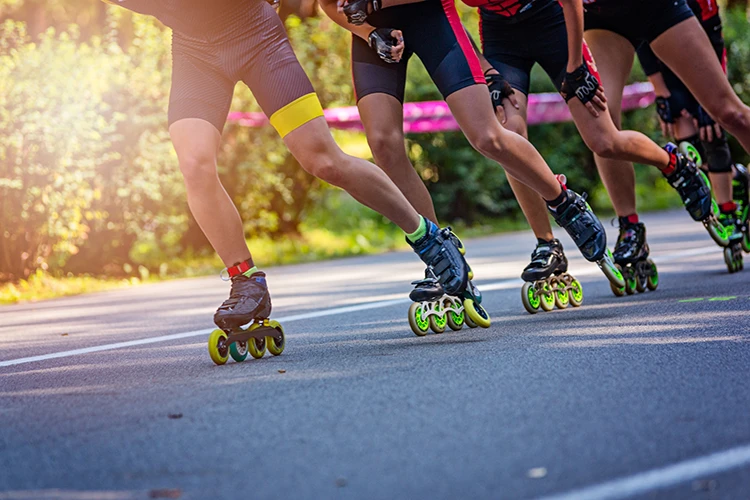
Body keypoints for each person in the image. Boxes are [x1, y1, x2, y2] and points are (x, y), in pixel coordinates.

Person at [101, 0, 482, 333]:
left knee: (323, 161)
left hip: (255, 37)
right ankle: (245, 281)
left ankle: (428, 237)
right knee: (195, 165)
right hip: (195, 54)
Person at [321, 0, 625, 296]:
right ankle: (438, 252)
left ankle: (564, 203)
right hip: (373, 31)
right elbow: (328, 3)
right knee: (384, 146)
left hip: (431, 17)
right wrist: (367, 33)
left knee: (487, 137)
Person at [458, 0, 711, 297]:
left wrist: (576, 65)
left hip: (554, 22)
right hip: (501, 34)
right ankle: (546, 244)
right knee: (507, 134)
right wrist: (487, 70)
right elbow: (446, 21)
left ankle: (672, 163)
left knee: (603, 140)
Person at [582, 0, 750, 274]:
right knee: (602, 127)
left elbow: (710, 28)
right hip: (601, 19)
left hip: (657, 9)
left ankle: (726, 183)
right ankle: (629, 227)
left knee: (728, 113)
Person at [635, 0, 749, 272]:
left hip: (702, 64)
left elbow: (715, 43)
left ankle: (729, 210)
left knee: (712, 132)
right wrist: (661, 94)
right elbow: (642, 44)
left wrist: (711, 105)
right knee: (688, 145)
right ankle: (736, 178)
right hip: (668, 72)